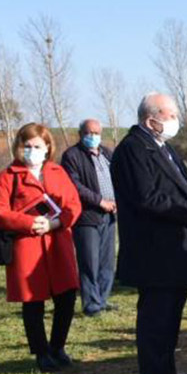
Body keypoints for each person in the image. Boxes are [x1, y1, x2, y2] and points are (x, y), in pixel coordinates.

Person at [111, 93, 187, 374]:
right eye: (170, 115)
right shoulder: (133, 150)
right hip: (154, 252)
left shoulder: (161, 146)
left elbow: (179, 189)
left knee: (171, 317)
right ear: (150, 119)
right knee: (156, 319)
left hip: (175, 249)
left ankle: (168, 371)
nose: (175, 121)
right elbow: (148, 198)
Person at [0, 123, 82, 372]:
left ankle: (58, 346)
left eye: (37, 146)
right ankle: (40, 352)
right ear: (19, 147)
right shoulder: (7, 176)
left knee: (67, 296)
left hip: (57, 242)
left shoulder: (58, 172)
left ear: (47, 147)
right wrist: (28, 223)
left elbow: (73, 204)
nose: (32, 150)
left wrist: (56, 223)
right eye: (26, 146)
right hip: (26, 247)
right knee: (33, 300)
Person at [61, 118, 117, 316]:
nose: (92, 137)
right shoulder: (72, 156)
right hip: (87, 216)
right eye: (89, 133)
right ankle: (91, 304)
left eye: (96, 133)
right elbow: (74, 185)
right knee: (89, 262)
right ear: (80, 134)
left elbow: (118, 177)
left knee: (106, 262)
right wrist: (100, 201)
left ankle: (102, 298)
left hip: (110, 215)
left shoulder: (107, 154)